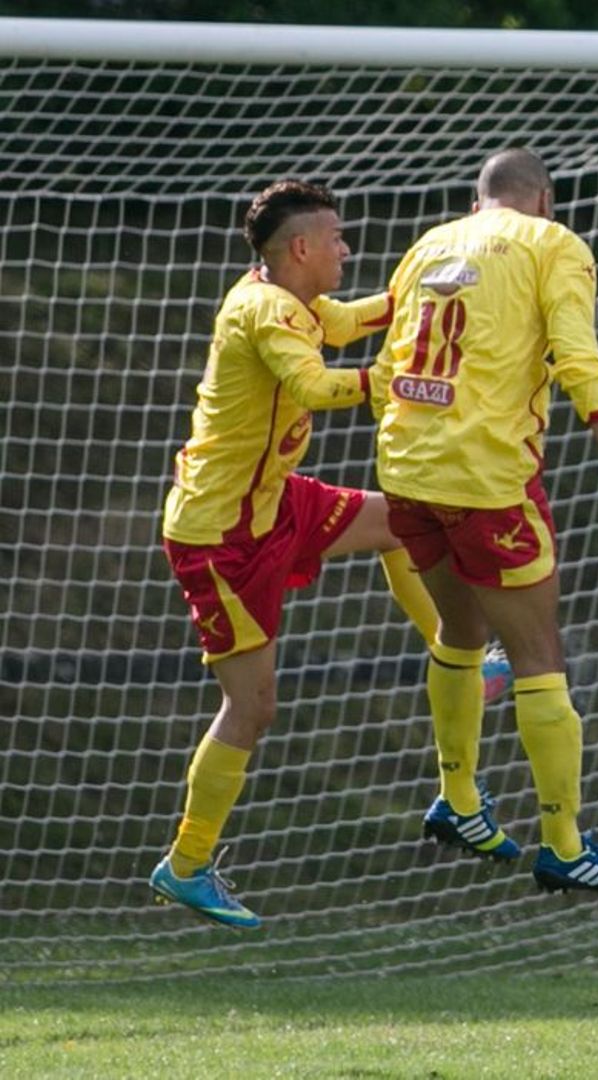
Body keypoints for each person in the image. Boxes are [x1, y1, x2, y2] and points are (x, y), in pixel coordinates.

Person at [150, 180, 457, 928]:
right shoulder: (264, 310)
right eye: (338, 239)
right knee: (252, 709)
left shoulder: (290, 297)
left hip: (272, 501)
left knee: (404, 521)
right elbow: (316, 387)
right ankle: (186, 865)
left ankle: (464, 665)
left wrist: (418, 288)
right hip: (219, 536)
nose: (347, 250)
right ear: (300, 249)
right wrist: (398, 380)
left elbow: (345, 322)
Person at [371, 148, 598, 896]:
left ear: (479, 203)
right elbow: (575, 352)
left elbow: (389, 358)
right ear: (544, 197)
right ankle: (564, 844)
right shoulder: (554, 242)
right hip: (486, 478)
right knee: (539, 657)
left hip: (406, 466)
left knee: (460, 637)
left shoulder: (429, 244)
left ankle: (459, 798)